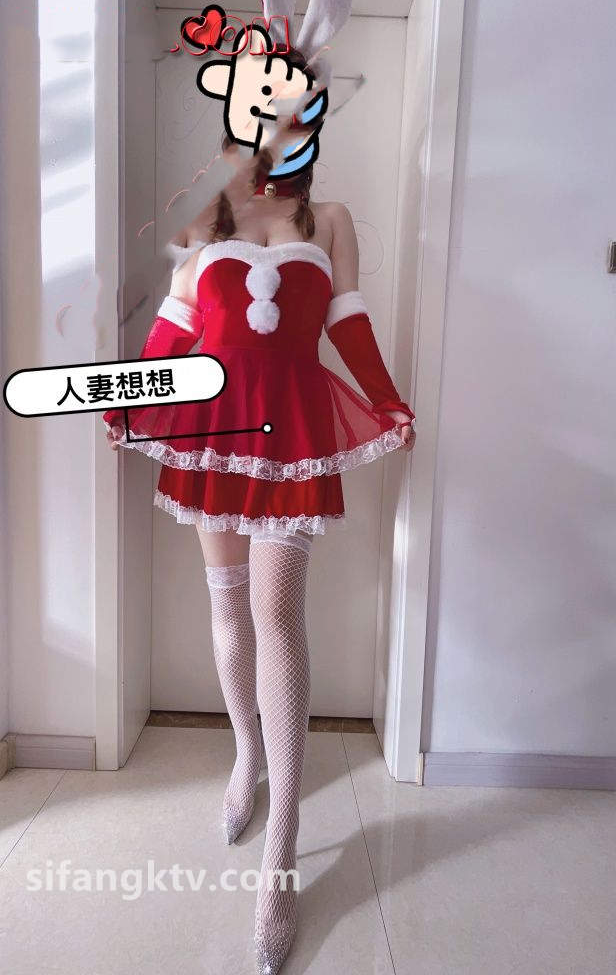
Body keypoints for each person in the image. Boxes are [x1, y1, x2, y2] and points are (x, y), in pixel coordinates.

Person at [104, 86, 415, 975]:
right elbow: (173, 331)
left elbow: (346, 323)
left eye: (293, 115)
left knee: (278, 615)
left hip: (292, 433)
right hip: (214, 430)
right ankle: (246, 757)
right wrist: (129, 401)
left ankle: (281, 846)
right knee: (229, 607)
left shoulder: (332, 219)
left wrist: (386, 399)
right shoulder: (205, 220)